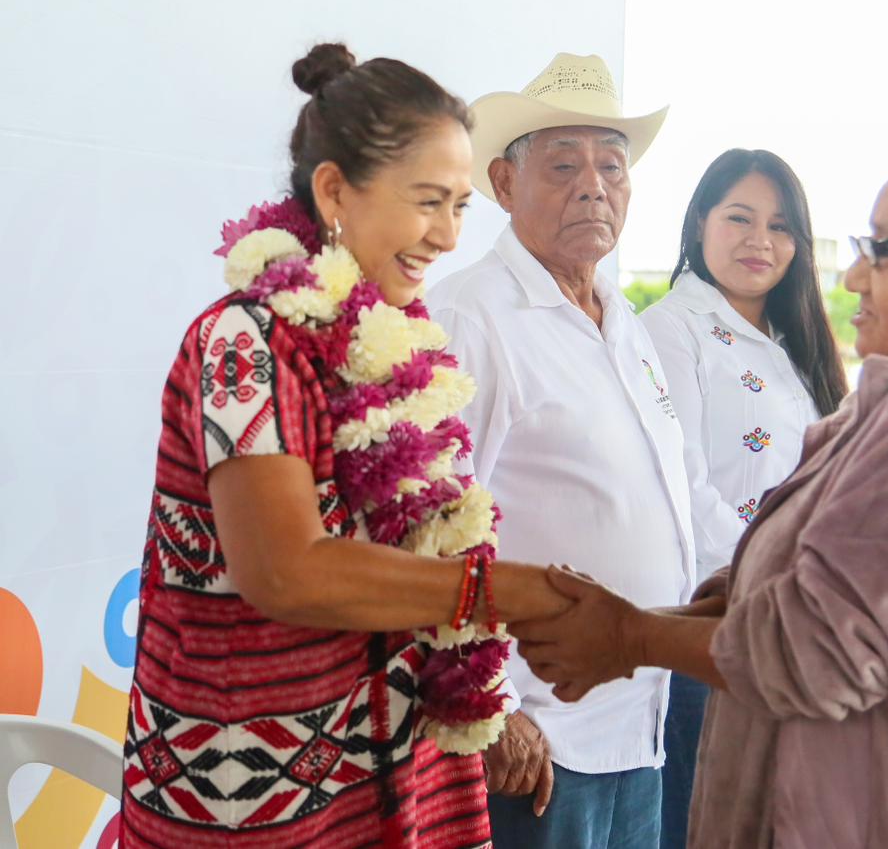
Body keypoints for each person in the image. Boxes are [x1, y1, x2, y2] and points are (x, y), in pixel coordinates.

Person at [511, 137, 888, 848]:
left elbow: (824, 648)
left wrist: (633, 635)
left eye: (885, 250)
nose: (857, 277)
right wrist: (693, 604)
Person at [121, 43, 573, 847]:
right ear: (334, 190)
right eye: (428, 201)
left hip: (400, 772)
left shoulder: (398, 344)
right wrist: (501, 591)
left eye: (461, 206)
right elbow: (288, 572)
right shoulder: (245, 342)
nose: (448, 236)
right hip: (257, 794)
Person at [427, 53, 693, 849]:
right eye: (564, 166)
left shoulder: (624, 319)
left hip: (639, 730)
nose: (593, 187)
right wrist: (491, 705)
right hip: (539, 744)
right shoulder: (472, 316)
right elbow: (430, 526)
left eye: (612, 166)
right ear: (505, 184)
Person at [638, 148, 846, 848]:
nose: (761, 240)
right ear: (700, 222)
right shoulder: (672, 329)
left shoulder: (793, 340)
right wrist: (767, 581)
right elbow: (682, 484)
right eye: (739, 218)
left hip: (790, 621)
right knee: (702, 823)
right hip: (716, 619)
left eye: (780, 226)